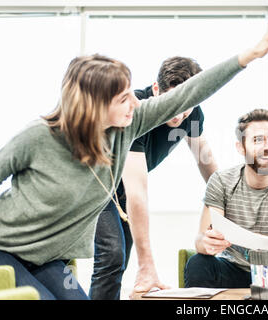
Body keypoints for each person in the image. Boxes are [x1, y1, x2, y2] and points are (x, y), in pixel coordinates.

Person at [0, 9, 268, 300]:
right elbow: (137, 192)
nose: (136, 101)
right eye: (124, 97)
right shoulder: (38, 137)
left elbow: (188, 95)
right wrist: (147, 263)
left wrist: (246, 57)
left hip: (49, 260)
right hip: (5, 250)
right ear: (94, 105)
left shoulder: (128, 124)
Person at [89, 56, 218, 300]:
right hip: (97, 185)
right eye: (173, 102)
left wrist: (228, 200)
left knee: (119, 260)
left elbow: (204, 158)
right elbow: (137, 191)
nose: (180, 113)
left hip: (122, 190)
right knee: (112, 255)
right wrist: (147, 265)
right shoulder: (135, 112)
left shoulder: (192, 113)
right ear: (156, 90)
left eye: (187, 104)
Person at [184, 108, 268, 288]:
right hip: (231, 267)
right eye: (258, 140)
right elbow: (200, 239)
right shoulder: (221, 181)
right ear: (241, 147)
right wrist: (207, 243)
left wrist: (251, 240)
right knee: (198, 264)